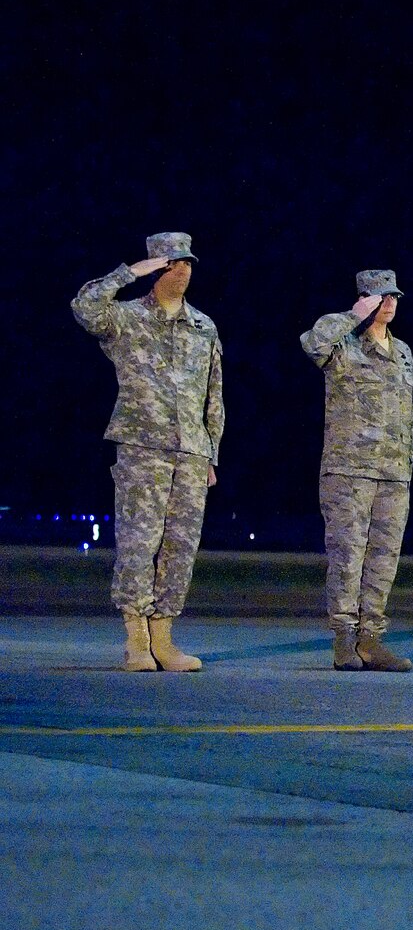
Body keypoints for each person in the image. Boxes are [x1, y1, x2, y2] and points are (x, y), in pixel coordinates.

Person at [71, 232, 222, 672]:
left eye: (189, 263)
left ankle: (164, 638)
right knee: (139, 543)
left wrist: (211, 452)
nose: (183, 271)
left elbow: (213, 395)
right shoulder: (128, 319)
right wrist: (128, 273)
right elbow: (85, 309)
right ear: (156, 268)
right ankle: (136, 639)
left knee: (181, 545)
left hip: (191, 453)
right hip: (143, 447)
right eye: (173, 263)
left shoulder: (203, 326)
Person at [301, 269, 413, 671]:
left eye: (394, 296)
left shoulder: (403, 351)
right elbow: (311, 342)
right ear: (364, 300)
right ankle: (344, 638)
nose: (390, 302)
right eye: (380, 296)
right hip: (349, 469)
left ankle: (371, 639)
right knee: (348, 555)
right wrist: (352, 316)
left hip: (393, 472)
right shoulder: (342, 346)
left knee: (384, 558)